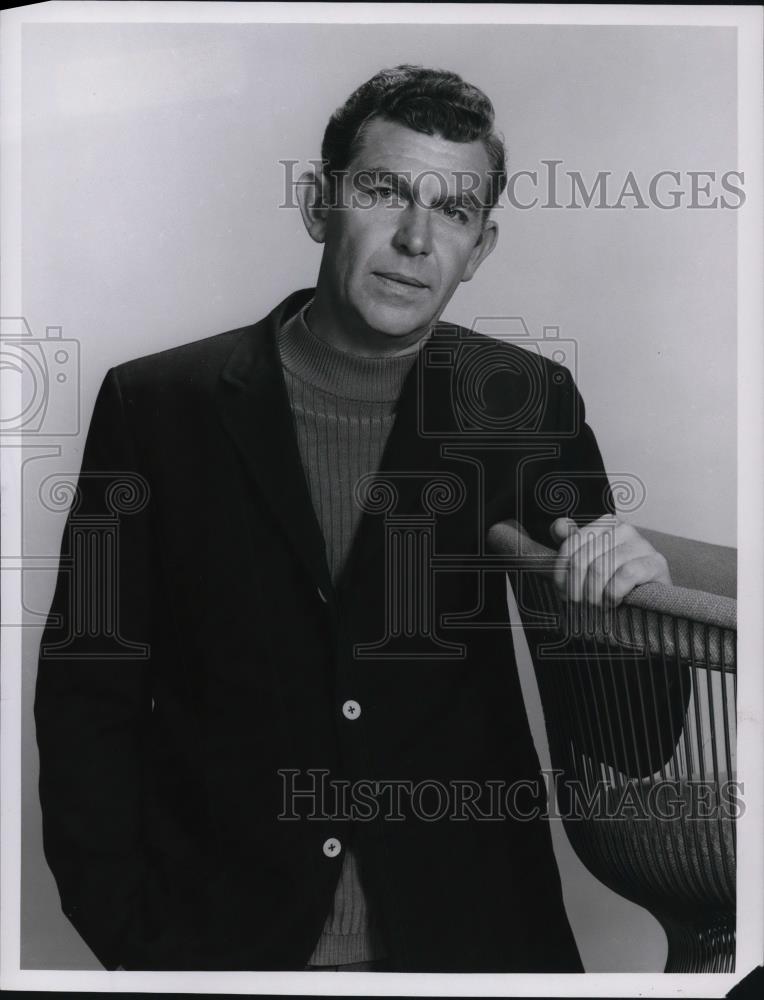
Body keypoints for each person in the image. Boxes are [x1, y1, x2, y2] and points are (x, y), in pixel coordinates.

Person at [35, 65, 681, 974]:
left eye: (453, 212)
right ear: (317, 203)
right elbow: (85, 694)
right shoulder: (153, 406)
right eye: (385, 191)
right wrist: (129, 930)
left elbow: (629, 743)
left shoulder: (529, 405)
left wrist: (631, 602)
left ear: (481, 246)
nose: (416, 238)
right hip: (221, 945)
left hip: (474, 948)